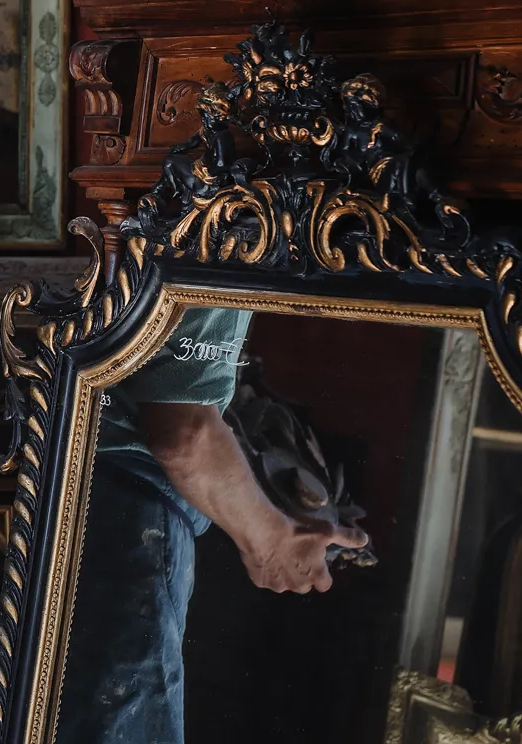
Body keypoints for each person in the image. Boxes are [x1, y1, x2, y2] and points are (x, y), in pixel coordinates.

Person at [56, 307, 371, 744]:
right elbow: (185, 435)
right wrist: (271, 541)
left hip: (104, 504)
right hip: (130, 515)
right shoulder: (224, 241)